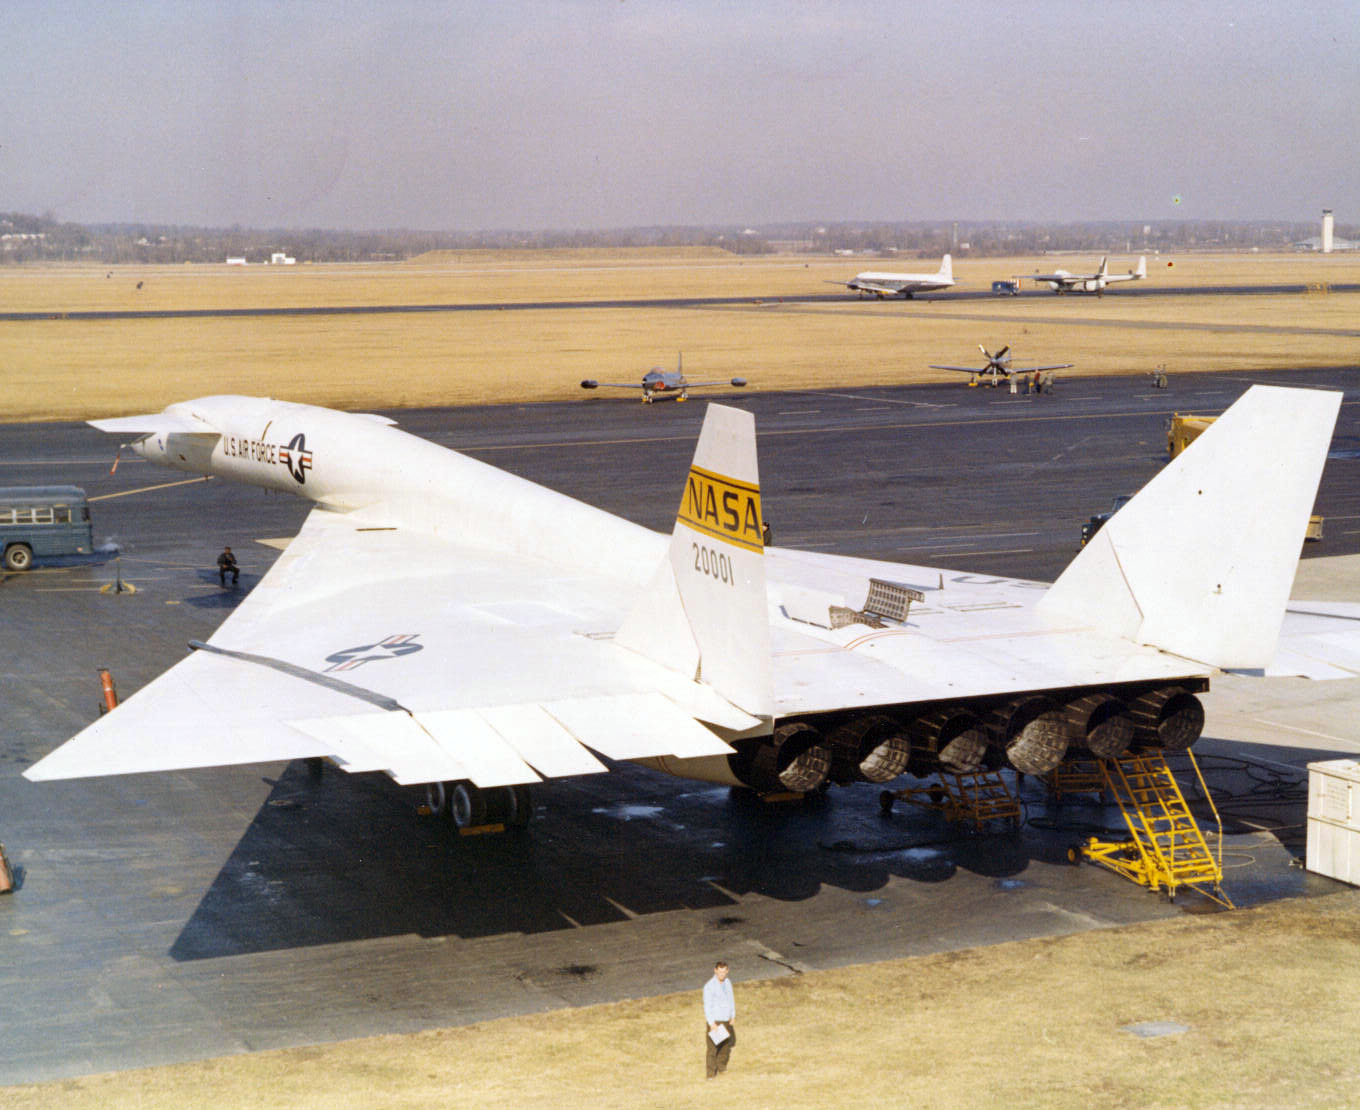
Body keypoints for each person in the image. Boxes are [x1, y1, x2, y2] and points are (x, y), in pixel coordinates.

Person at [703, 959, 736, 1078]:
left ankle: (721, 1066)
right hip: (715, 1020)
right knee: (712, 1048)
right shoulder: (709, 986)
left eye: (724, 972)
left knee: (725, 1046)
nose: (722, 974)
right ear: (715, 971)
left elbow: (731, 999)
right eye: (719, 972)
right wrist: (711, 1023)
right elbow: (707, 1006)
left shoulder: (728, 982)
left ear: (727, 971)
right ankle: (711, 1073)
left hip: (726, 1019)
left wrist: (733, 1015)